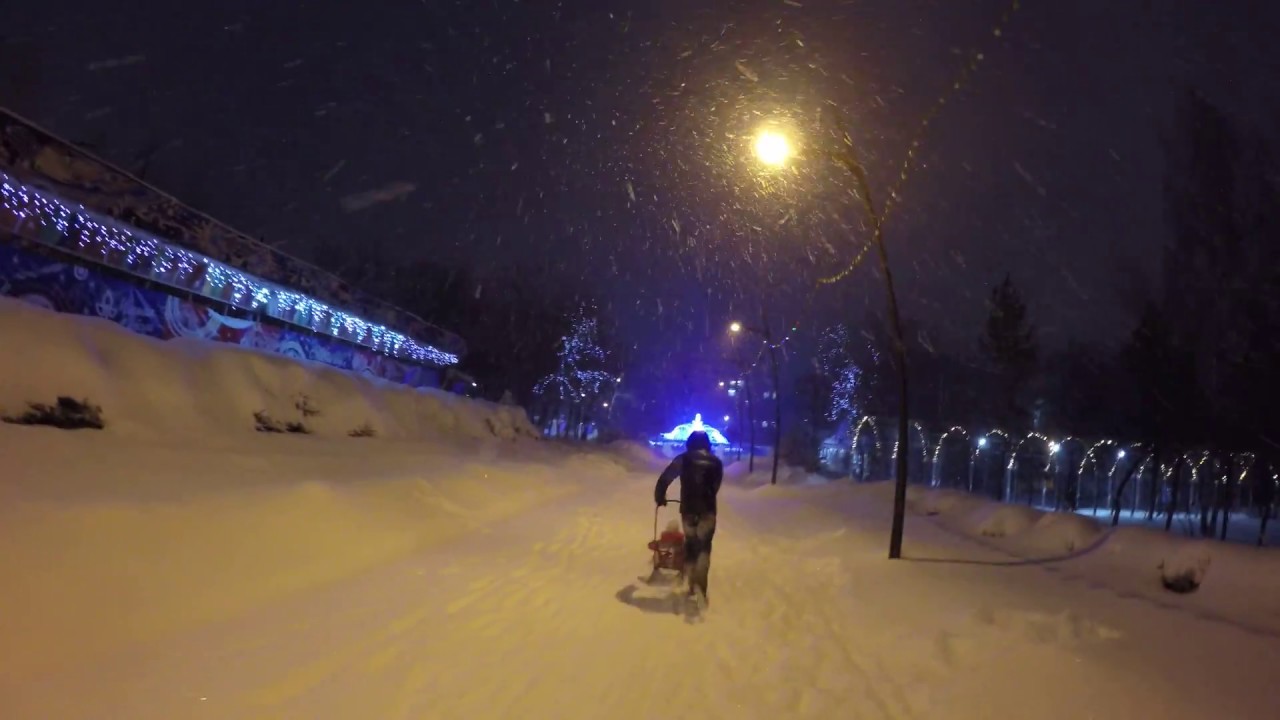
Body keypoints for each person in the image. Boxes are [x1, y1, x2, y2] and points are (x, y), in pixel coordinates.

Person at [654, 430, 723, 606]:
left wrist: (660, 496)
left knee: (691, 544)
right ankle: (700, 585)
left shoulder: (683, 459)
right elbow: (715, 486)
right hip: (708, 511)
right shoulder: (716, 462)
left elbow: (665, 478)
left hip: (689, 510)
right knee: (704, 547)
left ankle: (691, 581)